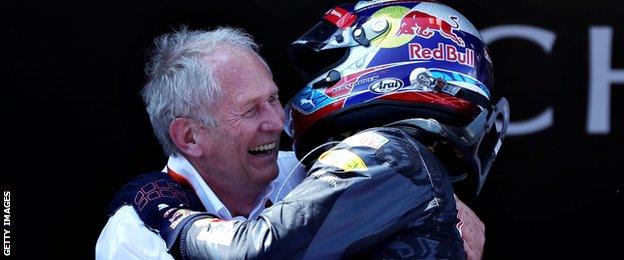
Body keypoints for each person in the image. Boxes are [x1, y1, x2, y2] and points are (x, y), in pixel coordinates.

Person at [96, 1, 497, 256]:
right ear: (189, 136)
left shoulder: (315, 168)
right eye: (251, 110)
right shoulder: (131, 235)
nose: (276, 122)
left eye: (272, 98)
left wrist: (171, 217)